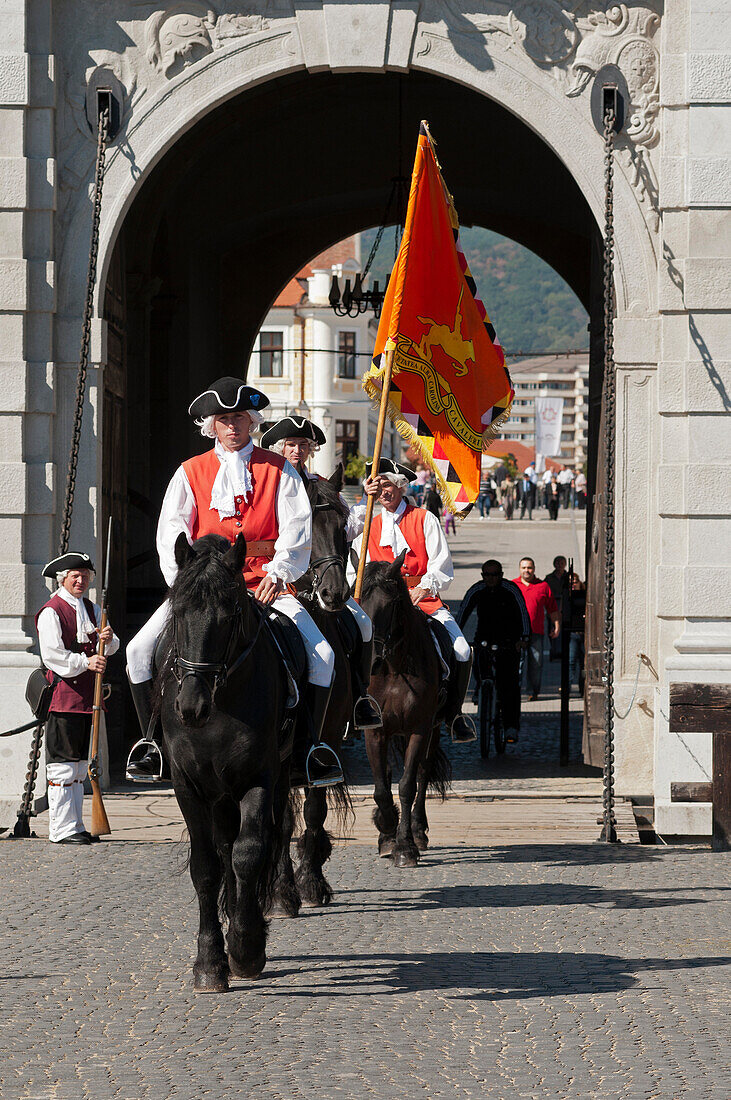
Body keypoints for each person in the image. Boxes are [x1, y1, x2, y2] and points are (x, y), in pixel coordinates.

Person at [125, 377, 342, 788]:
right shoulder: (189, 472)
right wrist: (187, 584)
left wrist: (279, 573)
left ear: (251, 421)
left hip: (264, 583)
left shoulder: (280, 470)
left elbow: (297, 529)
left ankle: (309, 749)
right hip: (203, 588)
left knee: (323, 656)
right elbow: (172, 534)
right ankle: (152, 744)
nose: (232, 426)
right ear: (212, 425)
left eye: (239, 418)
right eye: (224, 419)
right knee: (137, 651)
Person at [260, 414, 381, 730]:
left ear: (310, 449)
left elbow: (349, 528)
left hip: (322, 576)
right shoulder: (266, 482)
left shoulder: (322, 486)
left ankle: (359, 697)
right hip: (281, 579)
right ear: (280, 448)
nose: (297, 451)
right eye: (291, 444)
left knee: (363, 624)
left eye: (303, 445)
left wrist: (365, 502)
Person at [347, 458, 476, 742]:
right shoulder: (369, 523)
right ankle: (353, 708)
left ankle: (455, 714)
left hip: (422, 598)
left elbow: (442, 565)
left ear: (402, 487)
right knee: (348, 643)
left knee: (462, 649)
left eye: (390, 485)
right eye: (379, 485)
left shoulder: (424, 518)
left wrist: (425, 587)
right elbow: (353, 569)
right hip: (380, 607)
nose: (385, 491)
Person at [36, 552, 120, 844]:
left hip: (89, 699)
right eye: (75, 575)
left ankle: (76, 825)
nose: (81, 580)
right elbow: (52, 655)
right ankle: (60, 829)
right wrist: (86, 663)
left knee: (80, 767)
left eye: (85, 575)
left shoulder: (92, 609)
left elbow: (111, 646)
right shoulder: (52, 611)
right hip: (64, 699)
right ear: (63, 579)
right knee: (63, 765)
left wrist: (107, 640)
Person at [457, 560, 530, 743]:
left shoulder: (511, 589)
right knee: (477, 661)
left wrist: (524, 638)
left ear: (501, 575)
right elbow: (463, 611)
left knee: (510, 686)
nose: (490, 579)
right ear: (482, 575)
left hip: (508, 642)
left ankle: (511, 727)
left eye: (494, 575)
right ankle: (480, 689)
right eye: (486, 575)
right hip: (484, 639)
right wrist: (455, 635)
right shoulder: (477, 589)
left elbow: (523, 612)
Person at [511, 557, 560, 700]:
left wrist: (556, 626)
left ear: (534, 569)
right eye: (524, 568)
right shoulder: (512, 585)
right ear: (519, 569)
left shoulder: (543, 586)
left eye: (529, 568)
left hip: (536, 632)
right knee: (517, 664)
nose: (527, 570)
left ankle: (533, 692)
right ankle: (514, 692)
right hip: (516, 633)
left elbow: (552, 608)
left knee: (536, 665)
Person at [545, 555, 569, 660]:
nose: (560, 565)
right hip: (553, 605)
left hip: (565, 607)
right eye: (558, 563)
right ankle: (554, 650)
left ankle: (564, 650)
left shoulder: (569, 576)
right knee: (552, 627)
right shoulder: (549, 578)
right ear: (554, 564)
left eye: (562, 563)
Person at [567, 572, 586, 695]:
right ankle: (567, 688)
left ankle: (583, 689)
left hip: (585, 633)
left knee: (584, 663)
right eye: (570, 583)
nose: (573, 584)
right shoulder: (567, 596)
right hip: (573, 633)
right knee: (571, 661)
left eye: (575, 581)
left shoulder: (586, 594)